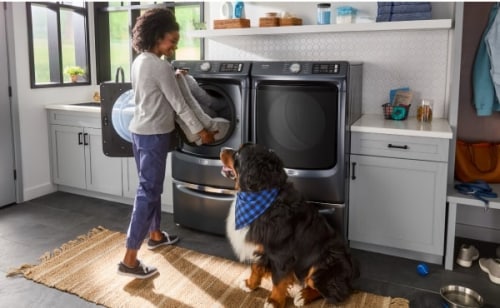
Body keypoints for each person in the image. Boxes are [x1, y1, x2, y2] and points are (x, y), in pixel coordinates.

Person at [117, 7, 217, 279]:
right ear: (156, 37)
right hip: (154, 135)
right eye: (171, 41)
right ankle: (129, 259)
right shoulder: (159, 65)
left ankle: (156, 235)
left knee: (150, 188)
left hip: (139, 132)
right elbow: (180, 105)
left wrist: (172, 77)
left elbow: (154, 91)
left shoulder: (141, 61)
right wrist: (201, 131)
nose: (174, 46)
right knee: (148, 192)